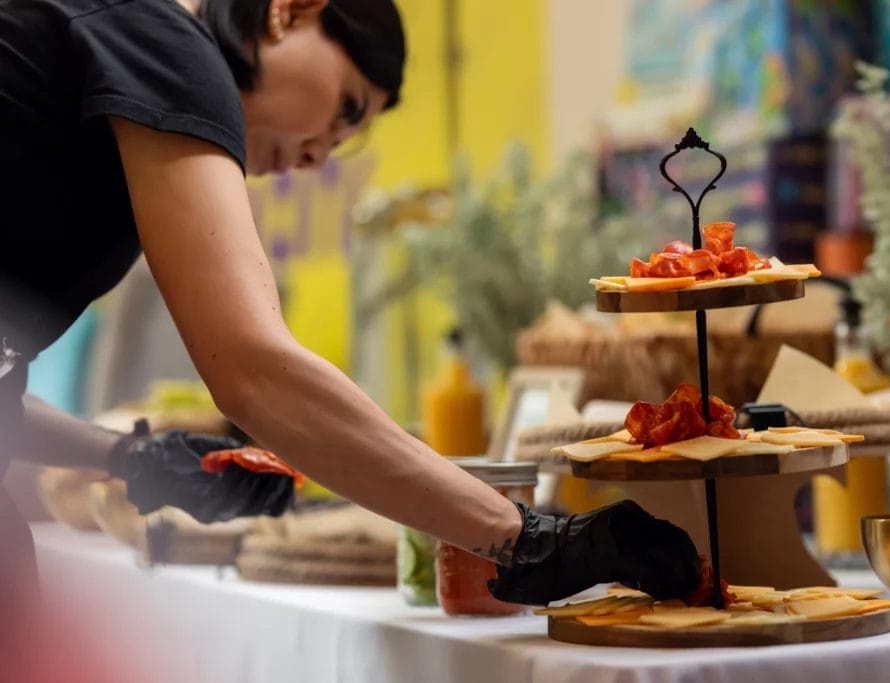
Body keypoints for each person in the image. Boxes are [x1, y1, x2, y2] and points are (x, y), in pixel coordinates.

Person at [0, 0, 702, 620]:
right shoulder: (168, 47)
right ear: (290, 11)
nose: (318, 158)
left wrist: (125, 456)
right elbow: (255, 371)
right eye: (345, 108)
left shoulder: (123, 71)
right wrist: (525, 537)